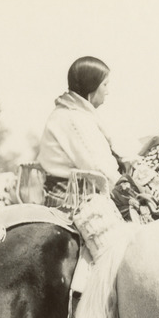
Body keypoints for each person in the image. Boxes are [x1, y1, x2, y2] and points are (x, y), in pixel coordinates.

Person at [35, 56, 127, 209]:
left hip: (74, 192)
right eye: (105, 85)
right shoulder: (73, 117)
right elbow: (98, 166)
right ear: (92, 86)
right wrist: (126, 190)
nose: (107, 91)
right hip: (71, 197)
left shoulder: (73, 113)